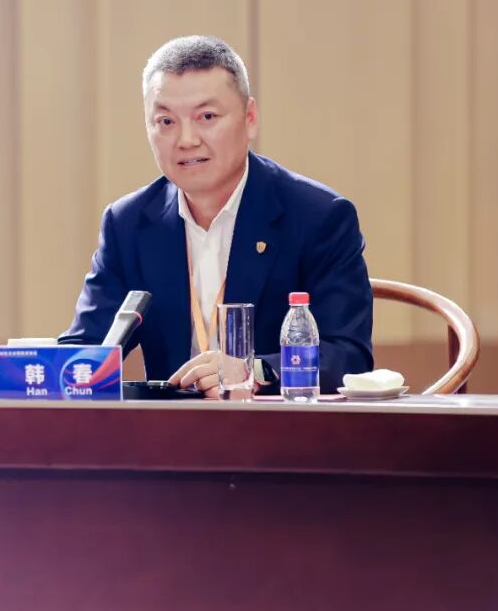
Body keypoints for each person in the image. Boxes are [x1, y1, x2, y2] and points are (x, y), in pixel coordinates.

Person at [59, 35, 373, 396]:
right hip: (170, 429)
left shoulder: (318, 218)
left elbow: (349, 358)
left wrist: (254, 370)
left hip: (275, 426)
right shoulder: (128, 224)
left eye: (206, 117)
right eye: (165, 121)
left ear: (250, 118)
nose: (186, 140)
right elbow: (85, 351)